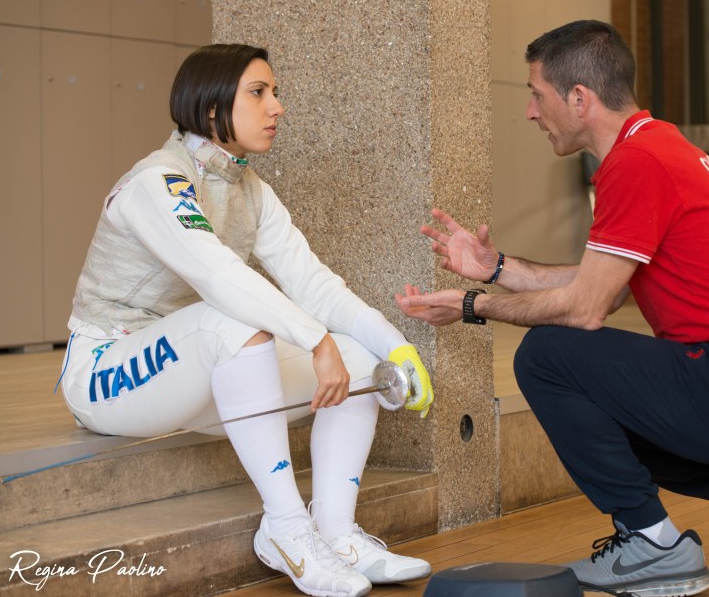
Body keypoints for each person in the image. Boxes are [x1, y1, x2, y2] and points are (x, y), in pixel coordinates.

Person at [396, 20, 709, 596]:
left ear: (579, 99)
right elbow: (604, 281)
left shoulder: (636, 162)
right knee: (602, 401)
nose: (530, 112)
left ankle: (652, 543)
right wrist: (495, 267)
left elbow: (586, 308)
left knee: (548, 356)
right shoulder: (655, 145)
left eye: (537, 94)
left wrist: (473, 305)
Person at [57, 44, 433, 597]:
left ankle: (336, 534)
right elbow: (217, 276)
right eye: (258, 93)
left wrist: (395, 346)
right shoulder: (157, 181)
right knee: (233, 322)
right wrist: (315, 341)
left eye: (275, 92)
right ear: (211, 108)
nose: (276, 106)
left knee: (359, 357)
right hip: (106, 374)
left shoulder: (250, 191)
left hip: (189, 375)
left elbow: (314, 283)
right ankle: (285, 528)